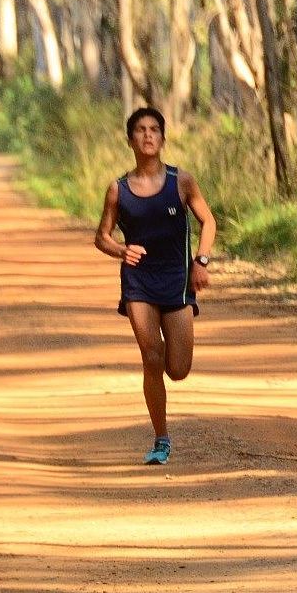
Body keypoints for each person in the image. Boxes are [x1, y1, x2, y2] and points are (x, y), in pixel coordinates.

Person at [94, 107, 216, 465]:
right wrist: (121, 249)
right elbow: (101, 237)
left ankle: (161, 365)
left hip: (176, 282)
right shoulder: (117, 190)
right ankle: (161, 439)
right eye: (140, 130)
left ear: (163, 138)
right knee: (151, 356)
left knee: (177, 369)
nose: (148, 135)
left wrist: (202, 261)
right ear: (130, 139)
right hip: (138, 283)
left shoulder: (182, 182)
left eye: (154, 130)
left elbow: (208, 222)